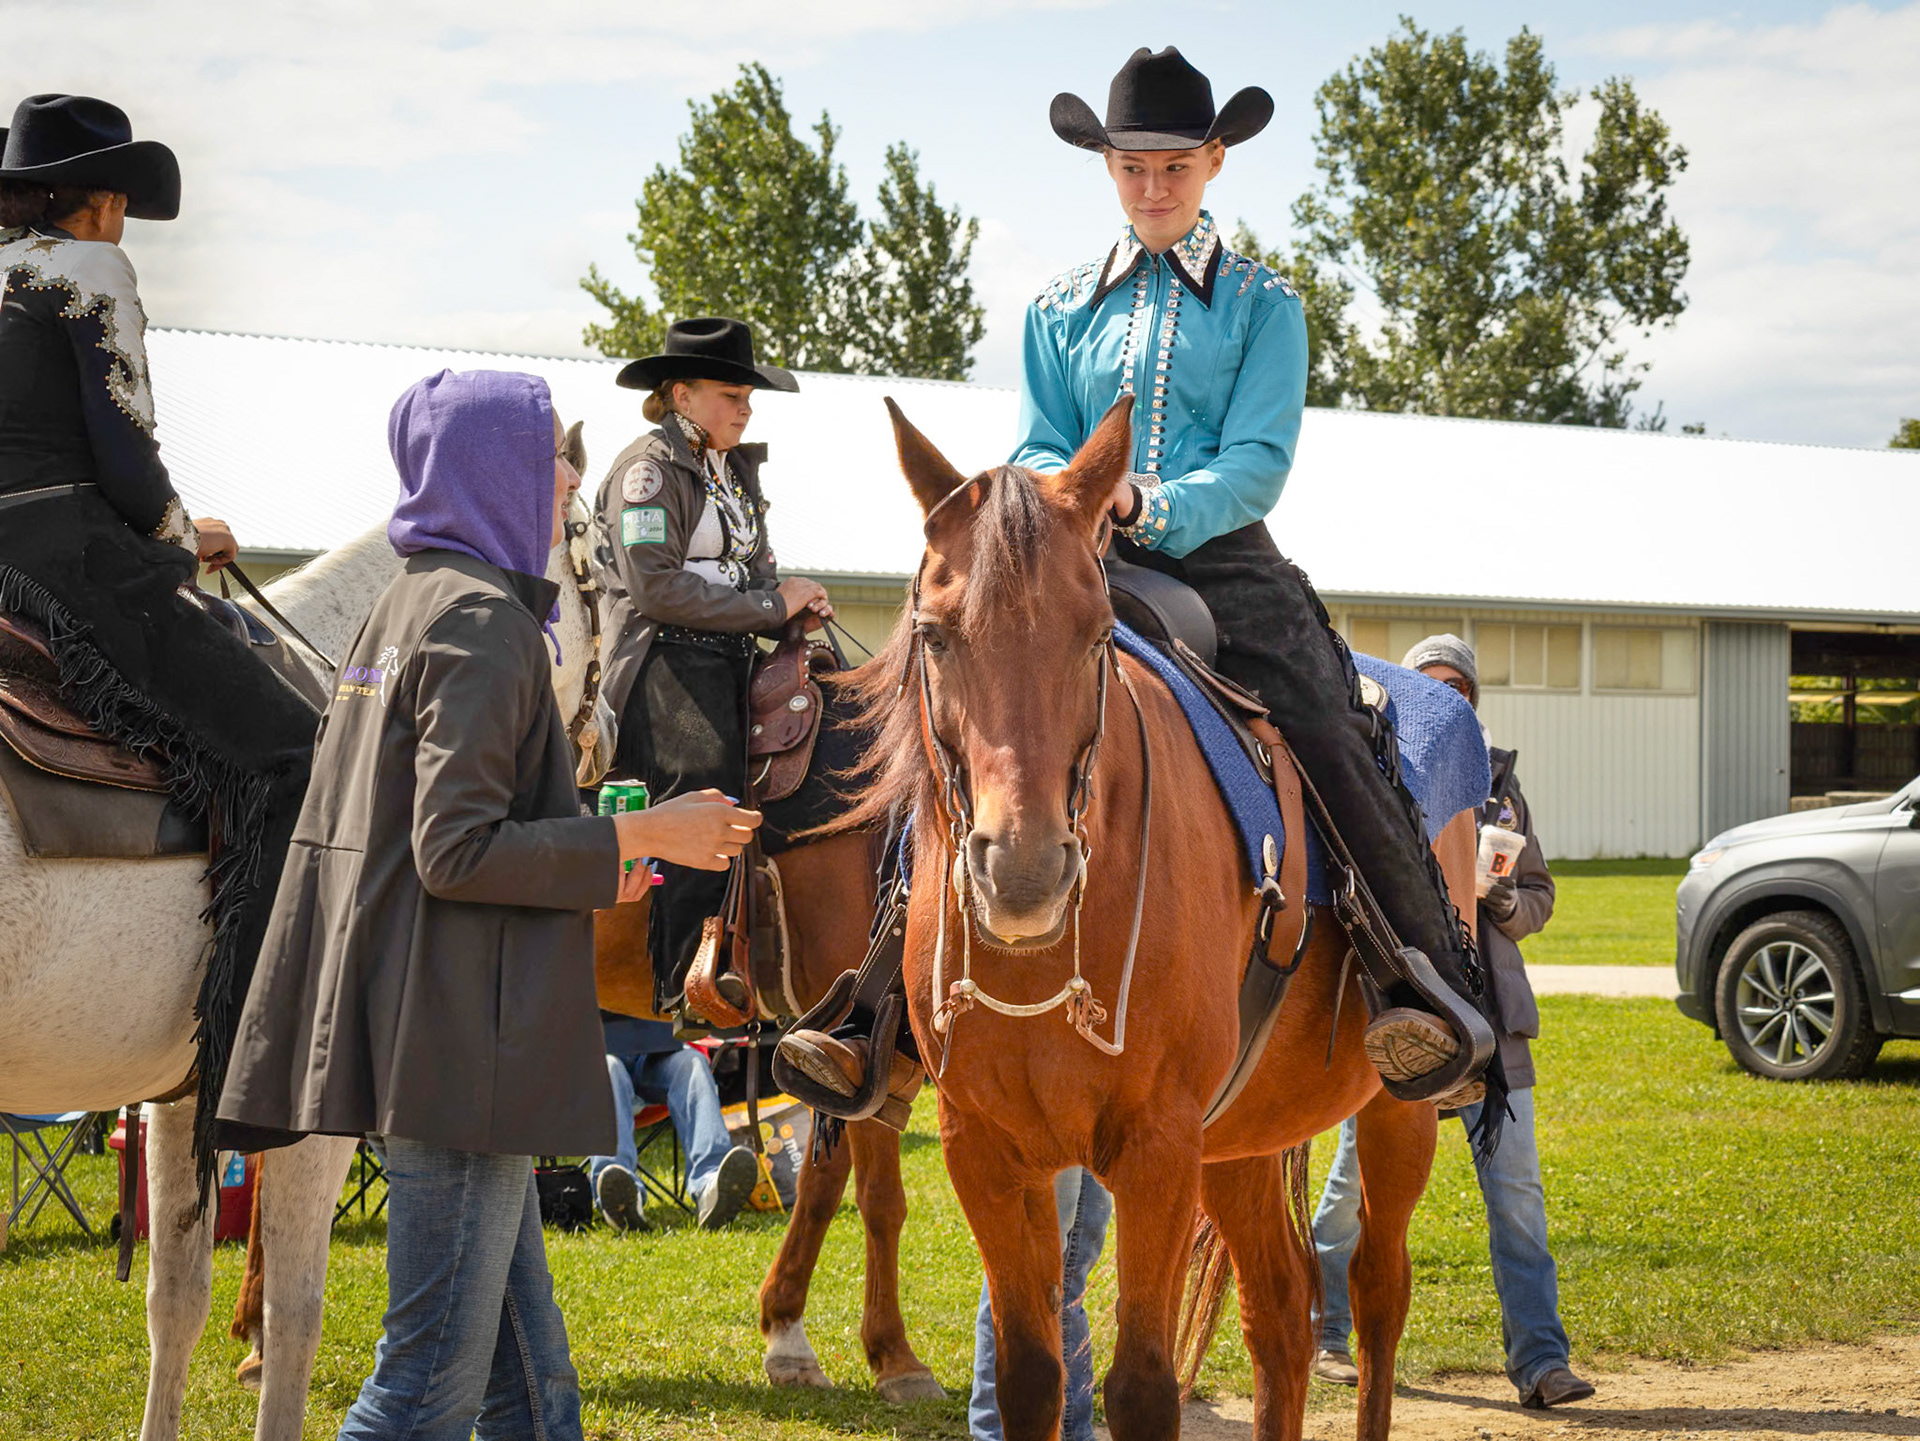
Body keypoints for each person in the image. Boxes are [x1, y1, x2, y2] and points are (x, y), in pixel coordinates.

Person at [785, 45, 1495, 1148]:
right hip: (1071, 560)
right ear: (1108, 169)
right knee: (950, 717)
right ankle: (885, 1004)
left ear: (1213, 162)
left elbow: (1259, 460)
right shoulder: (1058, 310)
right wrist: (1063, 502)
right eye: (1132, 167)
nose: (1153, 186)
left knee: (1328, 724)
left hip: (1224, 564)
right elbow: (1031, 442)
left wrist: (1145, 502)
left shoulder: (1266, 306)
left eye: (1173, 165)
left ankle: (1425, 987)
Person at [216, 367, 762, 1439]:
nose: (570, 477)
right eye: (549, 453)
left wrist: (594, 857)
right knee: (424, 1391)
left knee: (530, 1388)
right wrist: (643, 833)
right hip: (464, 1042)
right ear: (492, 471)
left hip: (440, 1031)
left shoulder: (405, 602)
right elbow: (455, 851)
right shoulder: (481, 622)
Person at [0, 93, 319, 1185]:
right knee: (297, 755)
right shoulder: (85, 276)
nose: (123, 226)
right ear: (92, 203)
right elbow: (128, 465)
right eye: (120, 203)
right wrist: (186, 537)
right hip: (74, 572)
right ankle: (249, 1067)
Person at [1309, 635, 1593, 1410]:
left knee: (1518, 1200)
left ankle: (1541, 1361)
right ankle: (1329, 1333)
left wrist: (1496, 897)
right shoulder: (1375, 768)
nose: (1446, 702)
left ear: (1472, 700)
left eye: (1457, 690)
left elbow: (1537, 894)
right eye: (1430, 687)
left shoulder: (1500, 785)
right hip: (1403, 1024)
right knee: (1345, 1199)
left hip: (1494, 1030)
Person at [590, 316, 833, 1023]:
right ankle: (684, 980)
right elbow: (655, 588)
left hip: (730, 654)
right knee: (706, 790)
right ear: (681, 393)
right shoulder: (647, 470)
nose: (745, 406)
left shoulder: (732, 469)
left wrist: (793, 604)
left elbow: (759, 571)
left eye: (748, 395)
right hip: (663, 656)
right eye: (731, 393)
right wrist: (765, 606)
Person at [588, 1012, 758, 1232]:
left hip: (656, 1056)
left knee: (692, 1063)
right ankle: (618, 1195)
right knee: (607, 1068)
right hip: (600, 1061)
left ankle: (710, 1185)